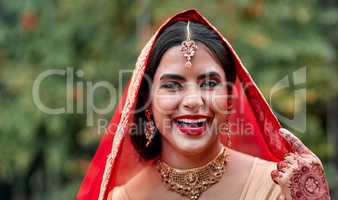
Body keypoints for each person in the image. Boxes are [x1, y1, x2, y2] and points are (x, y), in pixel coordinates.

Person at [77, 9, 330, 200]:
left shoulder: (277, 186)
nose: (193, 101)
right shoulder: (123, 198)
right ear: (147, 101)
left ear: (230, 99)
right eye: (172, 85)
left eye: (209, 84)